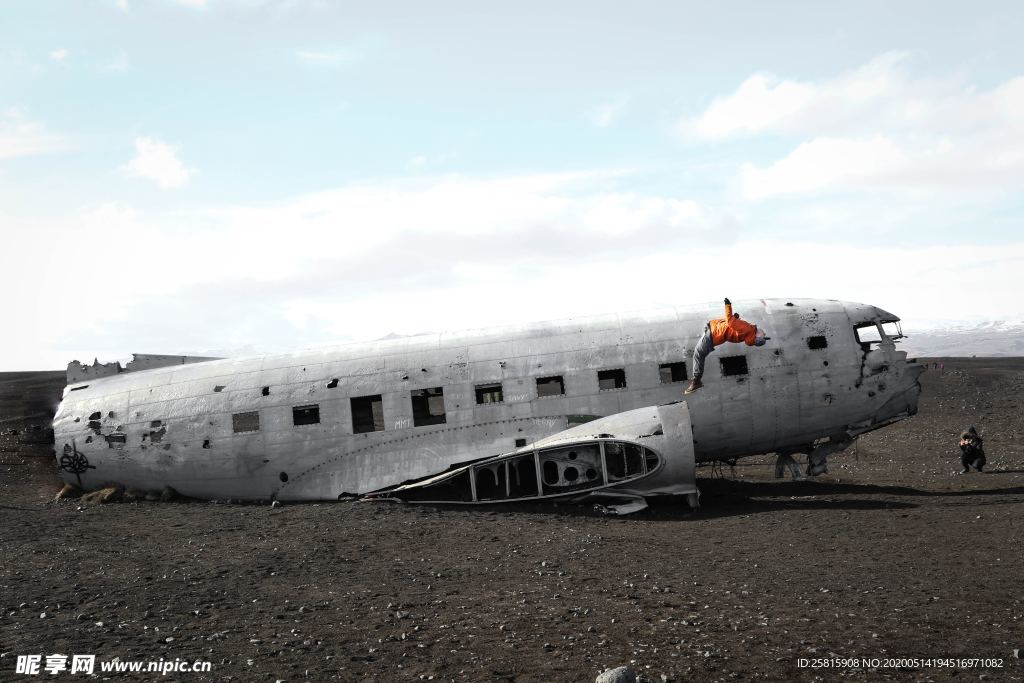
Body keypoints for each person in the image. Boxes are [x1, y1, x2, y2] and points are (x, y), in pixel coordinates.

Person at [685, 298, 766, 394]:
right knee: (699, 353)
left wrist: (727, 305)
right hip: (714, 332)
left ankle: (696, 381)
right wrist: (736, 319)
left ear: (757, 337)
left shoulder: (748, 330)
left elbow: (730, 322)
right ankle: (696, 380)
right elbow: (733, 330)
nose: (763, 333)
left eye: (763, 336)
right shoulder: (748, 335)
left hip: (713, 334)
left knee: (698, 354)